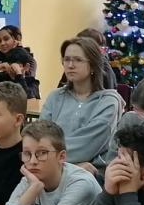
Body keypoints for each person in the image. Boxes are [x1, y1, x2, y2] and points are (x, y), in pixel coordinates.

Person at [39, 36, 125, 173]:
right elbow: (39, 136)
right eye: (66, 59)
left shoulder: (108, 102)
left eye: (78, 60)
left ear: (93, 65)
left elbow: (89, 144)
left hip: (89, 176)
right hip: (49, 169)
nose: (70, 65)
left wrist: (46, 156)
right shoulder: (55, 97)